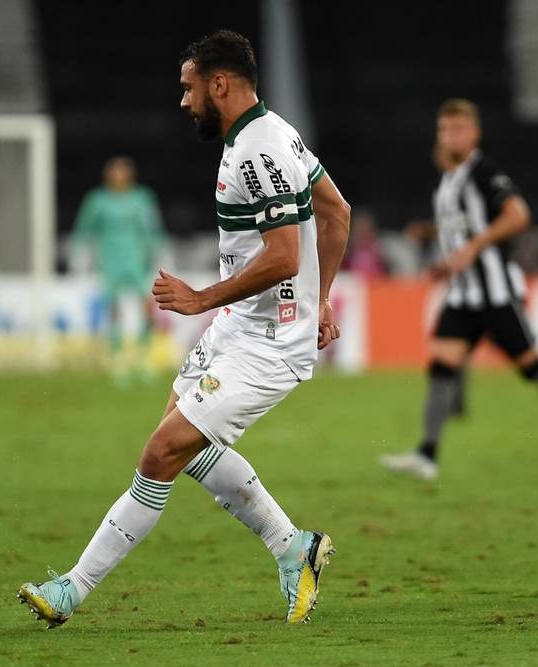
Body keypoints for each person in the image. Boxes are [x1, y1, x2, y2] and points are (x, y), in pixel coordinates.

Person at [19, 30, 351, 627]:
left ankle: (72, 589)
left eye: (188, 86)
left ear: (218, 83)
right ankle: (291, 547)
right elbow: (336, 212)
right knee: (184, 442)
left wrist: (202, 298)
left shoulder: (260, 150)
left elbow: (283, 256)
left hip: (269, 341)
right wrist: (321, 298)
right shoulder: (271, 134)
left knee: (161, 452)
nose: (183, 100)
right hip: (242, 325)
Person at [380, 99, 538, 482]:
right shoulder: (450, 182)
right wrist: (440, 246)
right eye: (443, 129)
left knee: (533, 368)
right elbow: (460, 227)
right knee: (441, 364)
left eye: (456, 129)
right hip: (464, 295)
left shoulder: (484, 172)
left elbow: (519, 215)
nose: (448, 136)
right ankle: (427, 454)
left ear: (474, 133)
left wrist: (474, 247)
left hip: (495, 293)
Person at [71, 157, 166, 382]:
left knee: (146, 307)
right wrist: (80, 254)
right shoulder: (97, 200)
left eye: (122, 172)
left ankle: (144, 358)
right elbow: (84, 228)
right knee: (114, 309)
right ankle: (117, 360)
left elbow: (153, 228)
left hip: (137, 259)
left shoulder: (142, 198)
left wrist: (160, 252)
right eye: (115, 172)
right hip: (110, 260)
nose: (118, 176)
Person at [342, 209, 387, 278]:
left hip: (376, 283)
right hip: (352, 283)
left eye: (364, 226)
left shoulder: (380, 249)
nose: (361, 230)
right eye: (358, 227)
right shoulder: (347, 250)